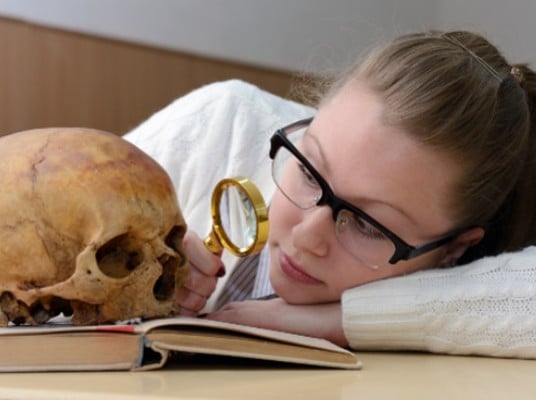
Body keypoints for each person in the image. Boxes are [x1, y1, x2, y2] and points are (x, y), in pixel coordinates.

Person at [124, 29, 536, 358]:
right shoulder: (221, 123)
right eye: (306, 169)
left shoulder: (479, 276)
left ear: (452, 250)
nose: (307, 237)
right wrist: (123, 292)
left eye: (368, 225)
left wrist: (345, 320)